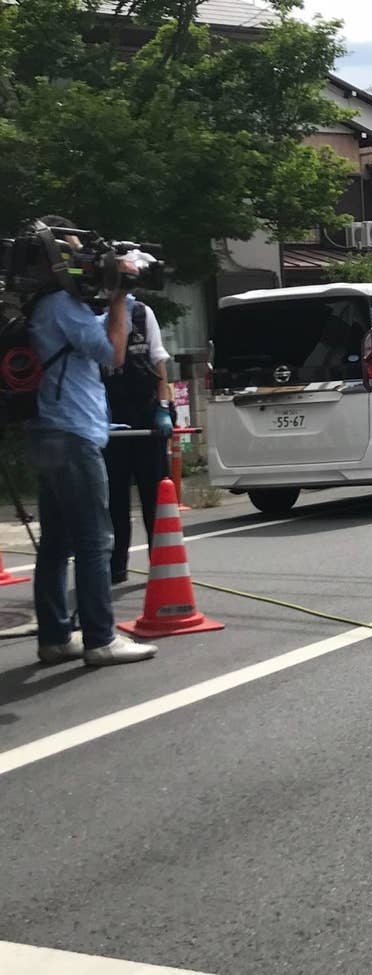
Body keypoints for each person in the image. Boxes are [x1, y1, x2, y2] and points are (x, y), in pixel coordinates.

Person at [27, 221, 158, 667]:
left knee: (58, 540)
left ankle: (56, 637)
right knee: (94, 539)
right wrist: (120, 295)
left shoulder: (50, 306)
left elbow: (95, 332)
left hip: (51, 432)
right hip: (73, 435)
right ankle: (100, 638)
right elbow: (113, 352)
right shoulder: (61, 305)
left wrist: (125, 292)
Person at [104, 298, 174, 584]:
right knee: (114, 500)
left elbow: (158, 362)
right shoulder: (95, 313)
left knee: (155, 497)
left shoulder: (144, 313)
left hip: (147, 416)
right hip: (110, 417)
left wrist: (164, 407)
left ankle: (162, 563)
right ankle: (116, 567)